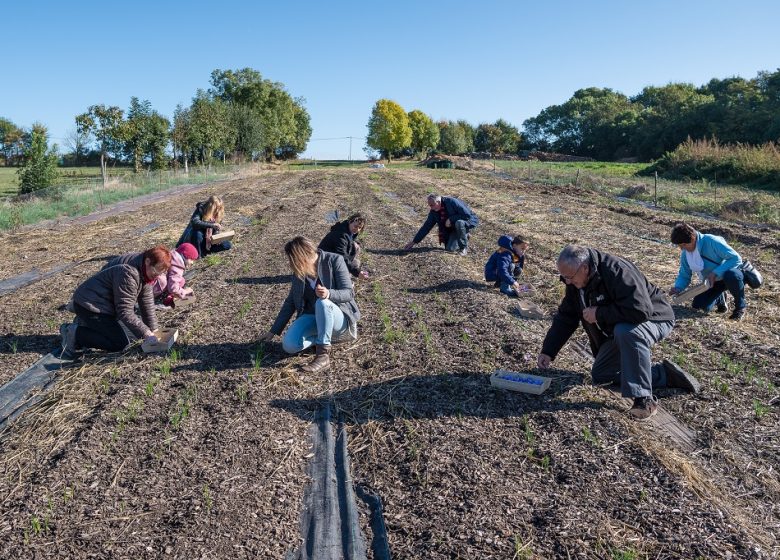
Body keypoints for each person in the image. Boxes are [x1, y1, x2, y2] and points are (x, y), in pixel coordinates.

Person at [537, 245, 699, 420]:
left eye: (569, 277)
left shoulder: (617, 271)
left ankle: (644, 399)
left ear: (584, 267)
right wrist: (548, 350)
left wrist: (599, 313)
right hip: (622, 326)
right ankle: (666, 375)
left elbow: (641, 310)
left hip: (655, 318)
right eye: (564, 277)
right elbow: (566, 317)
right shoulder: (577, 282)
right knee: (602, 375)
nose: (567, 282)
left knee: (627, 331)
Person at [259, 236, 360, 373]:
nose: (292, 263)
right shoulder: (300, 271)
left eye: (293, 259)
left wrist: (329, 294)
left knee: (323, 303)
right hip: (313, 317)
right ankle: (321, 339)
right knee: (289, 346)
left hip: (339, 318)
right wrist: (274, 330)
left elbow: (348, 293)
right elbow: (291, 301)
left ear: (302, 255)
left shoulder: (334, 260)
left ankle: (323, 355)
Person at [59, 245, 172, 360]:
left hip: (104, 304)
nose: (157, 276)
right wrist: (146, 333)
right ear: (148, 261)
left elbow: (146, 303)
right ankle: (74, 333)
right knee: (119, 343)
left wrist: (153, 330)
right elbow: (125, 311)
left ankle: (86, 324)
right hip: (91, 305)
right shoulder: (129, 273)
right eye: (156, 271)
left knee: (133, 333)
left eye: (160, 273)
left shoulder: (145, 271)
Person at [668, 222, 746, 321]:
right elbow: (684, 275)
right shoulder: (685, 254)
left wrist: (715, 273)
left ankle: (740, 307)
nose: (682, 248)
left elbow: (735, 258)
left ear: (693, 239)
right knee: (699, 306)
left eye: (684, 245)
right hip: (712, 282)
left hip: (731, 275)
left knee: (732, 275)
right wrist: (678, 288)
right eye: (680, 245)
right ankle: (720, 298)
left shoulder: (711, 241)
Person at [403, 193, 478, 255]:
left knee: (459, 223)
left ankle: (463, 248)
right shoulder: (434, 212)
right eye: (430, 205)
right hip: (452, 227)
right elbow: (426, 227)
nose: (431, 207)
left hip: (467, 221)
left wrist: (450, 219)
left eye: (432, 205)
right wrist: (414, 241)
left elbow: (467, 215)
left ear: (438, 202)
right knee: (449, 249)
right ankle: (464, 235)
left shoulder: (452, 202)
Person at [318, 213, 369, 279]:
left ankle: (346, 273)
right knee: (354, 263)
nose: (357, 229)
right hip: (324, 261)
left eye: (360, 228)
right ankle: (343, 279)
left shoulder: (347, 230)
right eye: (355, 226)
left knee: (356, 249)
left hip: (332, 257)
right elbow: (341, 256)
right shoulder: (341, 235)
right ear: (350, 221)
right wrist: (357, 272)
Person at [153, 242, 198, 307]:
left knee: (181, 280)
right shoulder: (177, 265)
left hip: (153, 283)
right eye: (191, 259)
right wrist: (184, 292)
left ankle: (166, 295)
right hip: (154, 288)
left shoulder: (172, 256)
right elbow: (173, 288)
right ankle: (163, 299)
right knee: (175, 283)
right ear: (185, 256)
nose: (192, 262)